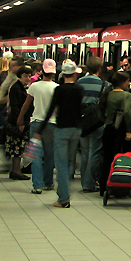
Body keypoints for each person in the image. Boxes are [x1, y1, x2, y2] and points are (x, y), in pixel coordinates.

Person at [36, 61, 83, 208]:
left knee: (61, 164)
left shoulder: (59, 90)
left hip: (62, 128)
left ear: (63, 74)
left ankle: (63, 198)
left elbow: (51, 109)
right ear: (75, 74)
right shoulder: (80, 89)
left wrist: (40, 129)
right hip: (76, 129)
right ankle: (65, 190)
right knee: (69, 162)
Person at [18, 59, 58, 194]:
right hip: (52, 125)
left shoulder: (34, 86)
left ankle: (37, 185)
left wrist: (20, 118)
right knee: (49, 155)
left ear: (42, 71)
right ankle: (48, 183)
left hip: (36, 123)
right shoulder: (56, 88)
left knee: (36, 155)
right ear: (54, 73)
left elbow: (26, 104)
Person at [77, 56, 109, 193]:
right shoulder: (104, 84)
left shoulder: (79, 82)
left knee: (85, 152)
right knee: (94, 151)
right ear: (99, 69)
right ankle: (89, 183)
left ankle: (84, 180)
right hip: (97, 121)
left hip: (82, 120)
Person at [99, 71, 131, 196]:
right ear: (122, 83)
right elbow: (127, 114)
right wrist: (128, 132)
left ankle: (104, 186)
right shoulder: (126, 95)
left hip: (108, 128)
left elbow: (101, 112)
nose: (129, 84)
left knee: (107, 159)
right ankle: (118, 187)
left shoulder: (107, 94)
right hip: (120, 130)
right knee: (119, 159)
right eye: (127, 81)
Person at [5, 66, 33, 180]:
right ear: (20, 76)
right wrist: (20, 121)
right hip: (17, 122)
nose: (28, 78)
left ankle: (15, 170)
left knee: (17, 147)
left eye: (29, 76)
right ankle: (16, 171)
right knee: (17, 147)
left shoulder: (20, 87)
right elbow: (16, 106)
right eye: (25, 76)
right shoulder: (17, 88)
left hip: (17, 120)